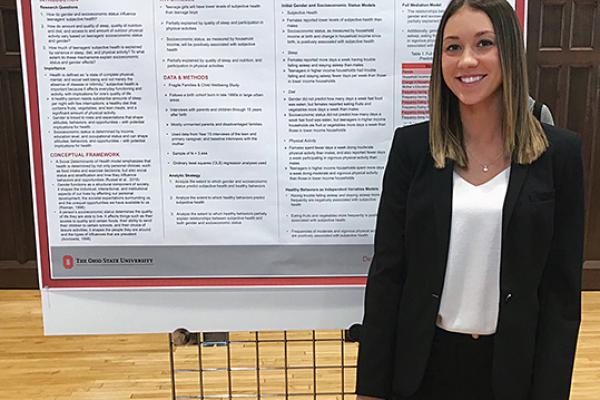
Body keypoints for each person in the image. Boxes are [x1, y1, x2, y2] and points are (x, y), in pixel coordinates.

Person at [355, 1, 584, 400]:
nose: (466, 60)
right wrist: (371, 386)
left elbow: (561, 295)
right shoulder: (412, 149)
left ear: (509, 52)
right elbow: (388, 276)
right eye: (453, 47)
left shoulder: (559, 154)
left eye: (483, 43)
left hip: (514, 366)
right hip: (424, 365)